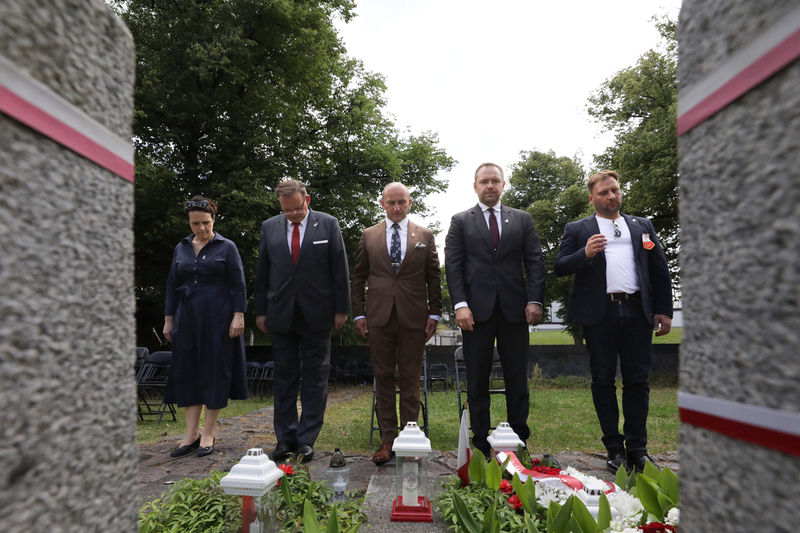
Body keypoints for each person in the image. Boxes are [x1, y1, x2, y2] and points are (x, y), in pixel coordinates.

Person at [554, 170, 673, 474]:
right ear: (591, 198)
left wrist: (664, 309)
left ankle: (638, 449)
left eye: (615, 190)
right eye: (604, 192)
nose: (611, 196)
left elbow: (659, 269)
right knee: (603, 380)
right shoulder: (578, 229)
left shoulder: (642, 226)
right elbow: (560, 266)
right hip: (600, 314)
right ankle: (614, 449)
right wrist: (584, 253)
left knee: (638, 381)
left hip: (637, 310)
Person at [444, 163, 546, 457]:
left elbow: (535, 262)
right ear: (475, 186)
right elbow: (453, 265)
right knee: (477, 380)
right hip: (475, 314)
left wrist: (535, 300)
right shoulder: (460, 221)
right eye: (484, 181)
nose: (490, 185)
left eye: (495, 181)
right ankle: (480, 444)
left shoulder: (522, 219)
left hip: (515, 310)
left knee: (517, 379)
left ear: (503, 185)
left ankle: (518, 442)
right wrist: (460, 305)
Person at [254, 179, 350, 463]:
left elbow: (339, 269)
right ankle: (284, 438)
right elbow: (263, 272)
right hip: (280, 311)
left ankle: (306, 439)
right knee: (283, 377)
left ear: (307, 200)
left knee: (315, 377)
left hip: (318, 312)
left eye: (297, 208)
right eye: (287, 210)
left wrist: (341, 310)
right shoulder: (269, 227)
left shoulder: (328, 224)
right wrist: (260, 311)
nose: (293, 214)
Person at [351, 182, 442, 465]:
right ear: (382, 204)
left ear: (410, 202)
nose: (397, 207)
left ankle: (409, 441)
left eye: (402, 201)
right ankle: (387, 441)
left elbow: (434, 276)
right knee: (383, 378)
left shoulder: (424, 235)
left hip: (414, 318)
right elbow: (358, 277)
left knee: (411, 380)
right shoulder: (368, 235)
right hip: (378, 318)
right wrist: (359, 313)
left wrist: (435, 313)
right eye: (391, 202)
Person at [163, 196, 248, 458]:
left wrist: (238, 315)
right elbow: (172, 285)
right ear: (189, 223)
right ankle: (191, 435)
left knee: (214, 371)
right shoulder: (181, 248)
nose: (201, 228)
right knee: (187, 371)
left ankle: (208, 433)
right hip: (187, 315)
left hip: (218, 316)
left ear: (213, 220)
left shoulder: (227, 246)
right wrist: (168, 319)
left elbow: (239, 284)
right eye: (195, 223)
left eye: (206, 222)